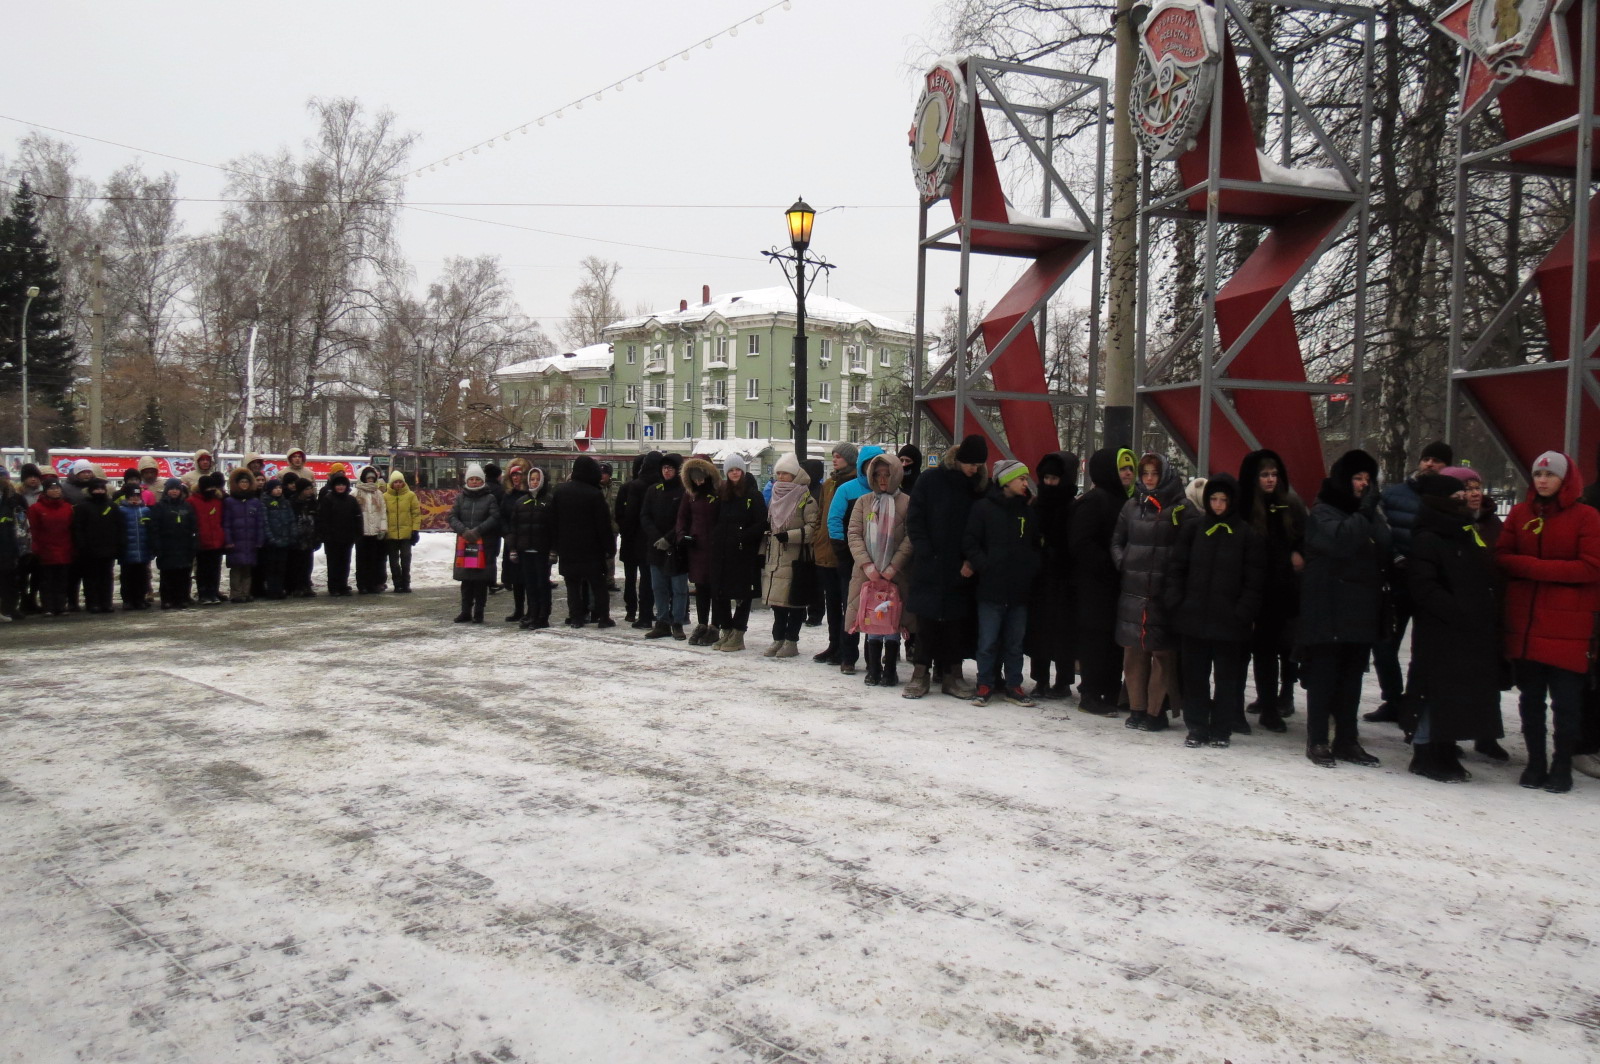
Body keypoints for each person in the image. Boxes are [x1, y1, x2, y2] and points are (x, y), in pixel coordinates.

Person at [1497, 450, 1600, 793]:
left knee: (1567, 704)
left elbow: (1590, 567)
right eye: (1538, 475)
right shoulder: (1521, 513)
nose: (1542, 481)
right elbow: (1502, 556)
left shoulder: (1586, 517)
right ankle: (1536, 762)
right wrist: (1534, 568)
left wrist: (1532, 568)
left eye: (1550, 475)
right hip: (1526, 625)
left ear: (1565, 480)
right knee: (1530, 700)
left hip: (1568, 629)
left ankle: (1562, 765)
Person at [1404, 473, 1504, 782]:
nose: (1465, 501)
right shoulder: (1427, 537)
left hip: (1464, 630)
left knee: (1455, 694)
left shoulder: (1461, 532)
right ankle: (1424, 750)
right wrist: (1458, 609)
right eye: (1458, 498)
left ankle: (1445, 747)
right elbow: (1423, 586)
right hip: (1440, 629)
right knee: (1433, 691)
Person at [1298, 449, 1390, 768]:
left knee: (1352, 676)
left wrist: (1370, 514)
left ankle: (1347, 739)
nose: (1363, 485)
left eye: (1368, 479)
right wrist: (1365, 513)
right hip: (1327, 608)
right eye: (1357, 478)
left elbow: (1385, 544)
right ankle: (1318, 738)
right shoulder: (1323, 511)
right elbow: (1342, 542)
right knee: (1324, 676)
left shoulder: (1367, 513)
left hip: (1360, 608)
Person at [1167, 474, 1265, 747]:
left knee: (1227, 680)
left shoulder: (1246, 535)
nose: (1219, 505)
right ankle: (1197, 726)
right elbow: (1177, 569)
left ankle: (1222, 728)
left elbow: (1254, 581)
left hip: (1229, 622)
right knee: (1195, 677)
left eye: (1224, 500)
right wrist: (1178, 603)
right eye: (1214, 499)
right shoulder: (1194, 529)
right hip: (1194, 618)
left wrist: (1243, 612)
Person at [1368, 440, 1454, 723]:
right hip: (1398, 580)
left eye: (1437, 461)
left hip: (1432, 585)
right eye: (1426, 458)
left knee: (1424, 648)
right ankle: (1393, 699)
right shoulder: (1394, 495)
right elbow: (1381, 529)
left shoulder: (1452, 497)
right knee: (1385, 644)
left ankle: (1416, 702)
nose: (1430, 464)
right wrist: (1395, 558)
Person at [1112, 452, 1194, 732]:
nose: (1148, 479)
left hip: (1164, 591)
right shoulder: (1132, 506)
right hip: (1133, 590)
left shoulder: (1181, 508)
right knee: (1133, 652)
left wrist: (1175, 577)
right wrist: (1124, 562)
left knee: (1161, 653)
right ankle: (1136, 707)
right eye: (1144, 473)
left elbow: (1189, 547)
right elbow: (1116, 541)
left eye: (1153, 474)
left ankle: (1155, 710)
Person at [904, 435, 989, 698]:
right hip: (930, 563)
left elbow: (985, 526)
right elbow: (915, 518)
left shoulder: (979, 486)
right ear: (959, 459)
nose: (974, 469)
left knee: (956, 623)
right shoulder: (930, 480)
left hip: (962, 566)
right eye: (970, 463)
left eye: (978, 464)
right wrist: (926, 550)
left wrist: (971, 560)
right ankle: (921, 673)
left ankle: (953, 674)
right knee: (926, 621)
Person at [1236, 449, 1307, 733]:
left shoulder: (1288, 505)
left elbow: (1303, 537)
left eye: (1274, 475)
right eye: (1265, 475)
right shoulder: (1244, 508)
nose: (1270, 480)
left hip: (1283, 590)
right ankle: (1262, 704)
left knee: (1280, 648)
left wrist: (1298, 553)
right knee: (1257, 651)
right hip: (1253, 591)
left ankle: (1275, 702)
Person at [964, 459, 1041, 706]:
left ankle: (1014, 685)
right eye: (1020, 478)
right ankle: (984, 683)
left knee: (1015, 643)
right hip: (991, 588)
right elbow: (970, 541)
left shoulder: (1027, 511)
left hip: (1019, 589)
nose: (1024, 483)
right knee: (987, 641)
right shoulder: (983, 508)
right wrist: (984, 565)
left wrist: (1030, 567)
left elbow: (1035, 543)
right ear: (1006, 480)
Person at [846, 452, 914, 687]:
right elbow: (854, 534)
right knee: (872, 617)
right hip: (868, 573)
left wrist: (895, 565)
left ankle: (891, 669)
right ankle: (873, 668)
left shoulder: (906, 502)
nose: (883, 479)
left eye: (888, 474)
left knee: (893, 619)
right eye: (878, 475)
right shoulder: (864, 502)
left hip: (896, 574)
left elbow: (910, 537)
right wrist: (866, 564)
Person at [1068, 449, 1127, 717]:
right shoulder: (1093, 501)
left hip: (1115, 585)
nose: (1127, 473)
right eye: (1121, 468)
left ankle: (1110, 691)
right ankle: (1091, 692)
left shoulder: (1124, 499)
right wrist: (1111, 564)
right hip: (1094, 586)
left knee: (1113, 641)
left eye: (1129, 468)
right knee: (1095, 640)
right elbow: (1081, 543)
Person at [828, 445, 885, 675]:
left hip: (881, 559)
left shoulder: (887, 490)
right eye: (869, 464)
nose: (874, 469)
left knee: (878, 609)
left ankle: (875, 658)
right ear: (862, 465)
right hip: (851, 559)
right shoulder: (847, 489)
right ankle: (848, 656)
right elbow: (834, 520)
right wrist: (844, 553)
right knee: (850, 608)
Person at [1026, 451, 1079, 700]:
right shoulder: (1036, 505)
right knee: (1040, 632)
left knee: (1064, 633)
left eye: (1054, 479)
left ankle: (1063, 681)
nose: (1049, 483)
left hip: (1065, 579)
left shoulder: (1073, 507)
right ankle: (1041, 680)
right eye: (1045, 478)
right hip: (1039, 577)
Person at [547, 455, 615, 628]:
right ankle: (603, 617)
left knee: (573, 585)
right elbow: (603, 525)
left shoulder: (560, 492)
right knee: (598, 584)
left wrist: (555, 545)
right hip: (592, 549)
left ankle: (576, 617)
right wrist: (609, 547)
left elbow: (552, 522)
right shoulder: (594, 494)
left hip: (567, 547)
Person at [761, 453, 818, 657]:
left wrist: (790, 536)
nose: (782, 477)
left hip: (795, 559)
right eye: (779, 473)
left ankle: (791, 641)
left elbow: (813, 528)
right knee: (777, 605)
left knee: (794, 603)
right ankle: (778, 639)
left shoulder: (806, 498)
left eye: (786, 473)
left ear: (794, 474)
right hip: (775, 557)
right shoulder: (775, 495)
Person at [710, 453, 767, 651]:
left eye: (738, 470)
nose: (734, 473)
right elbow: (715, 520)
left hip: (743, 554)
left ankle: (738, 633)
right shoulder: (722, 494)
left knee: (743, 594)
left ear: (743, 472)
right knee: (720, 593)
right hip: (722, 552)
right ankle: (726, 630)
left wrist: (742, 536)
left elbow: (760, 523)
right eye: (731, 470)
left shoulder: (753, 495)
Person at [811, 443, 859, 665]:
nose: (835, 459)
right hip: (825, 550)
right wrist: (817, 540)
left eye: (839, 456)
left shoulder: (855, 483)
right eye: (834, 456)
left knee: (846, 603)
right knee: (831, 602)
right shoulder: (829, 483)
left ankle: (846, 647)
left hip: (844, 553)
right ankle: (833, 645)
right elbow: (822, 515)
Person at [641, 453, 688, 639]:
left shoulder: (684, 491)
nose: (667, 471)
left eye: (670, 468)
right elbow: (645, 516)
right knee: (658, 586)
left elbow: (683, 519)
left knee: (678, 588)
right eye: (664, 468)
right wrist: (656, 537)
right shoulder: (653, 490)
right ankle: (662, 621)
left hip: (676, 547)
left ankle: (677, 622)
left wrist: (669, 539)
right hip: (656, 547)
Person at [676, 456, 722, 644]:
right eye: (695, 479)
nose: (698, 482)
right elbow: (682, 517)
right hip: (697, 547)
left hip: (716, 548)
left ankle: (715, 626)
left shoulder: (719, 492)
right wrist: (682, 535)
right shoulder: (690, 495)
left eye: (701, 478)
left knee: (716, 588)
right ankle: (702, 623)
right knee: (701, 588)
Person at [447, 463, 499, 622]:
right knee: (466, 581)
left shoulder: (490, 498)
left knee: (480, 582)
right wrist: (463, 531)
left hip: (483, 546)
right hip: (465, 545)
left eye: (477, 479)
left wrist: (478, 531)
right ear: (467, 481)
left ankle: (479, 613)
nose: (474, 482)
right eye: (472, 479)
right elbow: (452, 517)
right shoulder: (460, 498)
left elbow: (495, 517)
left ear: (482, 481)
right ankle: (465, 612)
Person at [617, 452, 662, 627]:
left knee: (631, 576)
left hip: (633, 537)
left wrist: (626, 531)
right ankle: (647, 611)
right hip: (650, 538)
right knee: (647, 577)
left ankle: (632, 611)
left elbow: (624, 514)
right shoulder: (659, 486)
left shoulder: (630, 487)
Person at [506, 466, 554, 630]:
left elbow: (555, 528)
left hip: (542, 550)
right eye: (532, 479)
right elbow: (514, 528)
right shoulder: (521, 502)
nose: (534, 482)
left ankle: (543, 616)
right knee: (530, 584)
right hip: (525, 550)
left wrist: (553, 550)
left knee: (542, 584)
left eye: (537, 479)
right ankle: (532, 613)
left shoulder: (549, 501)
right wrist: (513, 548)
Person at [72, 478, 122, 614]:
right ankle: (92, 603)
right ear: (90, 490)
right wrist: (81, 545)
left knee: (107, 577)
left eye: (101, 489)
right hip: (89, 549)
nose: (99, 491)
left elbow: (119, 527)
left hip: (108, 548)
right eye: (96, 489)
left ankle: (106, 602)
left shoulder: (112, 506)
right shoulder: (83, 507)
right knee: (91, 577)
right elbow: (78, 528)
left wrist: (117, 545)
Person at [150, 479, 198, 609]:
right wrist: (157, 546)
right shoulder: (160, 507)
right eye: (171, 489)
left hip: (184, 546)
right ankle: (167, 599)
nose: (174, 491)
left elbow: (193, 527)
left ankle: (182, 598)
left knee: (183, 575)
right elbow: (155, 528)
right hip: (167, 547)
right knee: (167, 575)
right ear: (166, 491)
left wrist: (193, 544)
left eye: (177, 489)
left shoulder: (186, 506)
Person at [316, 472, 362, 597]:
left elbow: (357, 517)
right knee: (333, 563)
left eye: (343, 485)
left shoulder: (351, 500)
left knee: (345, 562)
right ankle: (333, 586)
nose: (340, 487)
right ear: (334, 486)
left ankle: (343, 585)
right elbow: (323, 518)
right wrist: (326, 535)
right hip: (332, 538)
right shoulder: (328, 499)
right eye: (338, 485)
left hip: (347, 537)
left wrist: (356, 533)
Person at [114, 480, 154, 611]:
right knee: (127, 577)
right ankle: (128, 600)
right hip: (127, 550)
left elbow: (150, 529)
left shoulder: (145, 510)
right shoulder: (121, 511)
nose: (135, 499)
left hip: (142, 550)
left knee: (142, 576)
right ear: (127, 497)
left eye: (137, 496)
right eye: (132, 496)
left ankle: (140, 598)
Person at [190, 472, 227, 605]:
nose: (210, 491)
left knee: (214, 568)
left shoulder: (217, 501)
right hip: (201, 541)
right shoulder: (192, 501)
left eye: (213, 488)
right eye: (208, 488)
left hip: (216, 540)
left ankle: (213, 592)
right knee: (202, 569)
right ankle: (203, 593)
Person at [352, 465, 389, 594]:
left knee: (374, 559)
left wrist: (383, 529)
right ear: (363, 478)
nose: (370, 481)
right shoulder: (356, 493)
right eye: (368, 478)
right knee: (361, 560)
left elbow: (383, 513)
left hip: (375, 532)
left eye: (373, 478)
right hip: (361, 532)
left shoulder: (378, 493)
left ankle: (373, 583)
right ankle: (362, 585)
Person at [384, 470, 421, 594]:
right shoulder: (385, 496)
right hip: (390, 535)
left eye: (400, 482)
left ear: (403, 483)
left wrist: (415, 530)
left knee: (406, 560)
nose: (398, 484)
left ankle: (406, 583)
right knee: (393, 562)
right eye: (396, 482)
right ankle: (397, 584)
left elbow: (416, 514)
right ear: (391, 484)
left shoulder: (410, 496)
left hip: (406, 534)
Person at [259, 478, 295, 600]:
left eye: (280, 488)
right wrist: (271, 538)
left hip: (284, 540)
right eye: (275, 488)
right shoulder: (265, 502)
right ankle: (272, 590)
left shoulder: (285, 502)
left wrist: (291, 535)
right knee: (271, 567)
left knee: (281, 567)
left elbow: (291, 520)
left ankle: (279, 589)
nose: (278, 490)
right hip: (271, 542)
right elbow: (265, 522)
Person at [287, 479, 320, 597]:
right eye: (307, 489)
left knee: (308, 563)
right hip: (297, 538)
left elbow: (317, 520)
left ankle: (306, 585)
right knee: (296, 563)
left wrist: (317, 537)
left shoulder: (313, 502)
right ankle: (297, 586)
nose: (310, 491)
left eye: (310, 488)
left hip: (309, 537)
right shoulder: (292, 502)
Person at [598, 463, 621, 592]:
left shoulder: (616, 489)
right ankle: (600, 579)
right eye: (601, 473)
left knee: (610, 555)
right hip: (599, 528)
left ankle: (609, 580)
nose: (602, 476)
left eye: (605, 473)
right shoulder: (595, 488)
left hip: (612, 527)